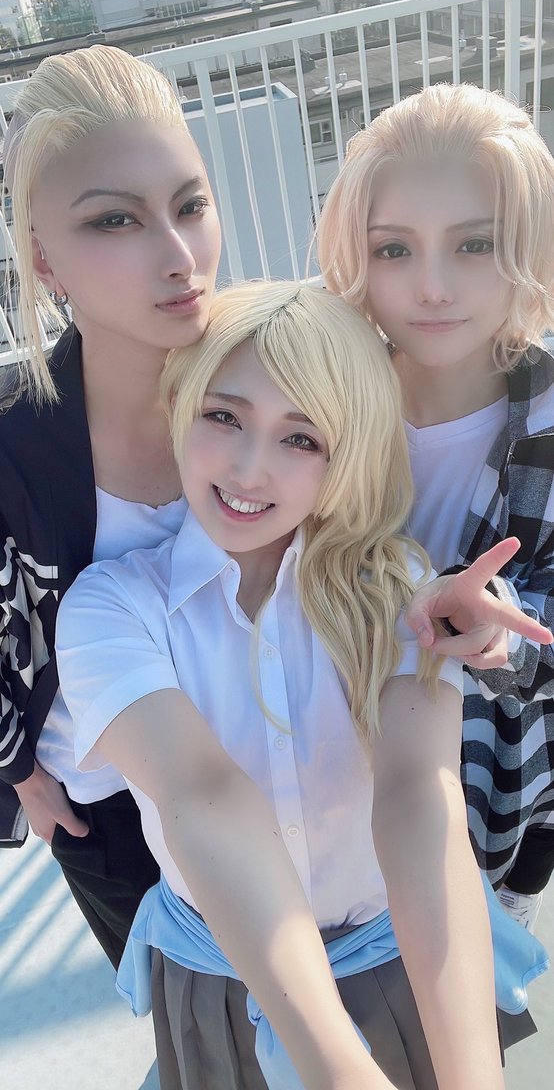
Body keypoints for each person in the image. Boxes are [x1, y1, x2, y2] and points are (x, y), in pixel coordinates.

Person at [54, 278, 527, 1090]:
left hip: (408, 960)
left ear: (346, 456)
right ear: (180, 406)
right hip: (224, 981)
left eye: (300, 438)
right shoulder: (111, 608)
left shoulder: (395, 588)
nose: (249, 467)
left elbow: (420, 793)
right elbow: (203, 795)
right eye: (224, 416)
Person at [0, 43, 221, 967]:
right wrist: (20, 771)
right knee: (194, 1019)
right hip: (105, 807)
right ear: (42, 258)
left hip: (274, 767)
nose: (179, 256)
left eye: (190, 206)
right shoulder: (14, 444)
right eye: (115, 220)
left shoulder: (276, 384)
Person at [315, 81, 554, 933]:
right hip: (336, 803)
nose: (432, 287)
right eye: (393, 249)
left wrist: (505, 627)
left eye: (474, 243)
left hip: (504, 798)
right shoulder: (314, 406)